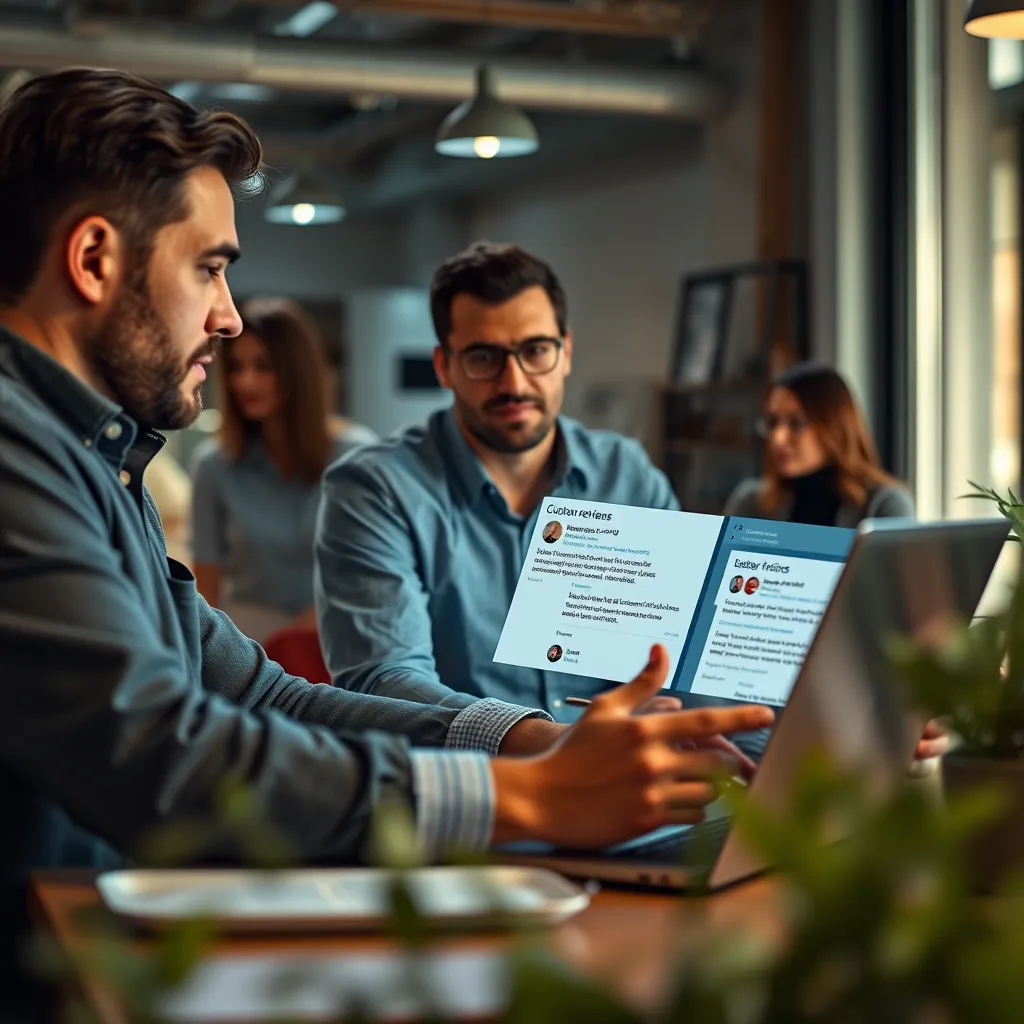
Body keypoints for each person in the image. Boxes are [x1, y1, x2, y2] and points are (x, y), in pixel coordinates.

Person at [0, 69, 777, 1014]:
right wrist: (528, 799)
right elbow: (160, 756)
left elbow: (262, 693)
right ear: (93, 259)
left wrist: (533, 743)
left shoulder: (96, 461)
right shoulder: (16, 451)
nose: (230, 315)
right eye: (209, 267)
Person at [315, 242, 692, 723]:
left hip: (623, 759)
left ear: (566, 351)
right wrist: (556, 740)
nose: (514, 383)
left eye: (535, 350)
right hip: (469, 769)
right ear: (444, 366)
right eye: (483, 357)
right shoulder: (375, 490)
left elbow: (680, 646)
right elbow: (385, 680)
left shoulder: (627, 475)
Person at [191, 298, 375, 642]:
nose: (245, 381)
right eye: (236, 367)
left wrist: (305, 630)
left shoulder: (356, 457)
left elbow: (370, 572)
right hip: (248, 640)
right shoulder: (214, 466)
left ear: (297, 372)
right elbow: (206, 589)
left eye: (263, 366)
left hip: (336, 633)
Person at [724, 363, 915, 526]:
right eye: (772, 423)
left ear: (833, 429)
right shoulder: (751, 504)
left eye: (796, 423)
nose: (778, 438)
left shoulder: (883, 505)